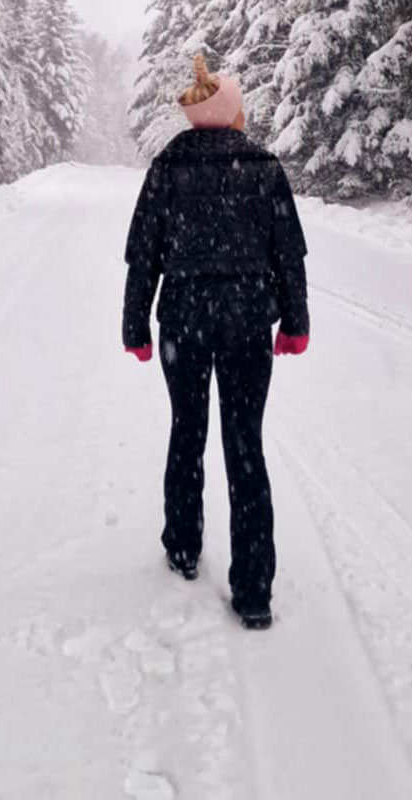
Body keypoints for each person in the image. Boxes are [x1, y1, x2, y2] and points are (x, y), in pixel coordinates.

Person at [122, 55, 309, 631]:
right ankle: (253, 590)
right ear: (230, 113)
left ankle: (182, 546)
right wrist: (295, 322)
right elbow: (289, 255)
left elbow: (142, 255)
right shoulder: (263, 167)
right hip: (249, 323)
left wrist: (136, 326)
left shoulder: (166, 167)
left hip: (183, 322)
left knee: (188, 431)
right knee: (244, 444)